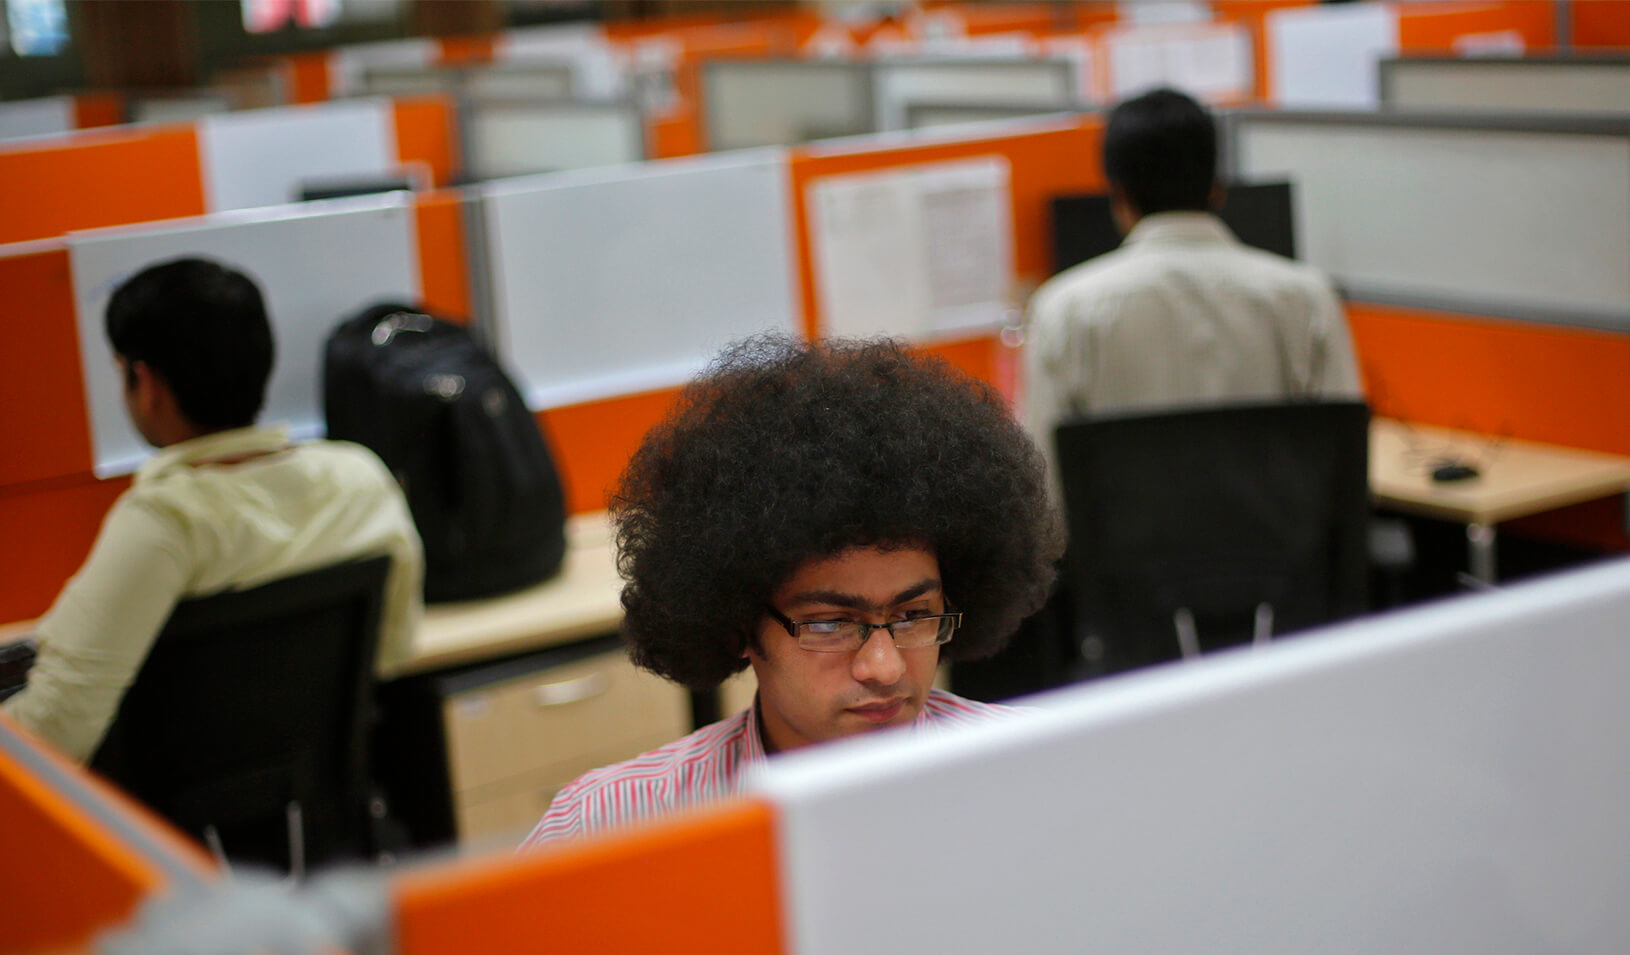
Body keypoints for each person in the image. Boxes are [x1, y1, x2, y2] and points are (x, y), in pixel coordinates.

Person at [523, 335, 1063, 846]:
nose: (885, 668)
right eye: (829, 624)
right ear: (738, 625)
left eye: (913, 615)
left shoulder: (1051, 775)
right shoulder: (609, 828)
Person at [2, 257, 423, 762]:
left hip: (167, 834)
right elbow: (392, 653)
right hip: (309, 805)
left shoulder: (167, 521)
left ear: (147, 383)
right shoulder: (358, 478)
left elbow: (51, 734)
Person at [1023, 87, 1364, 492]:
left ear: (1118, 193)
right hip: (1275, 553)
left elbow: (1043, 494)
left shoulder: (1064, 310)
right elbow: (1345, 470)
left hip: (1127, 555)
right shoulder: (1308, 298)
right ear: (1216, 187)